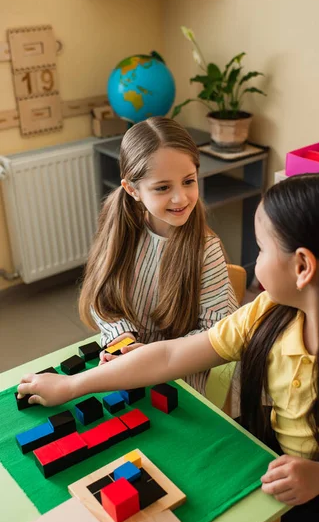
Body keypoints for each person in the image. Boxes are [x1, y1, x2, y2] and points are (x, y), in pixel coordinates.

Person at [18, 173, 319, 522]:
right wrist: (73, 385)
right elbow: (170, 357)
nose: (256, 260)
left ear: (302, 266)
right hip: (266, 453)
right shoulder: (268, 310)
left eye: (262, 248)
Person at [78, 117, 238, 395]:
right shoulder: (119, 229)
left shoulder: (206, 249)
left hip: (179, 377)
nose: (181, 198)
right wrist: (123, 341)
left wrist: (149, 356)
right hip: (130, 364)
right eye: (163, 187)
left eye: (188, 181)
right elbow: (101, 298)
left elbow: (215, 337)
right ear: (132, 190)